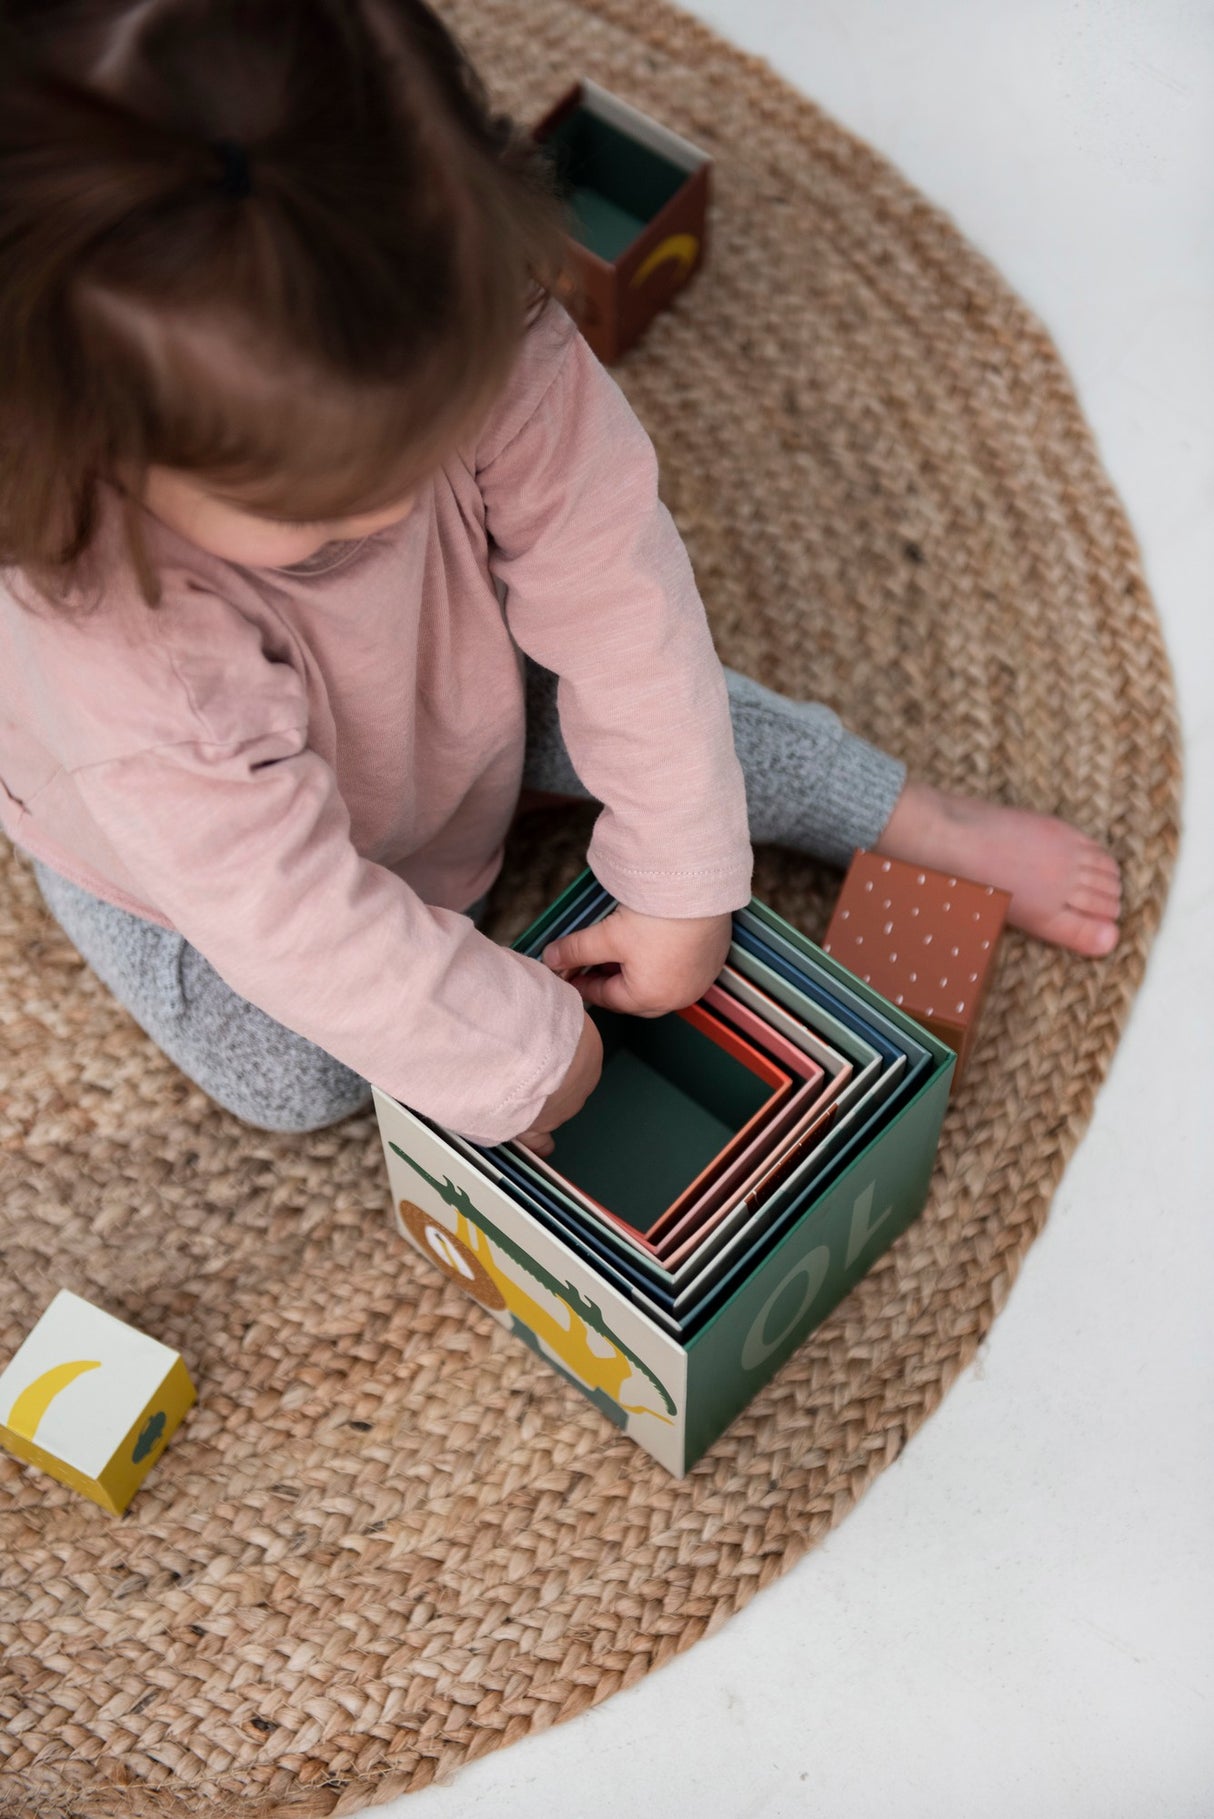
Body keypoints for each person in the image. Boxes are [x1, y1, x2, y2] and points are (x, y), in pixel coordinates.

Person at [0, 0, 1121, 1155]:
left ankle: (902, 813)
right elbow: (284, 910)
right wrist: (517, 1056)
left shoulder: (482, 313)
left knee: (675, 708)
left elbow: (616, 592)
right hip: (174, 839)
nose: (391, 502)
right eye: (314, 502)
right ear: (96, 455)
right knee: (288, 1075)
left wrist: (681, 876)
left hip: (454, 674)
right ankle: (137, 880)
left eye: (430, 421)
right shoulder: (121, 646)